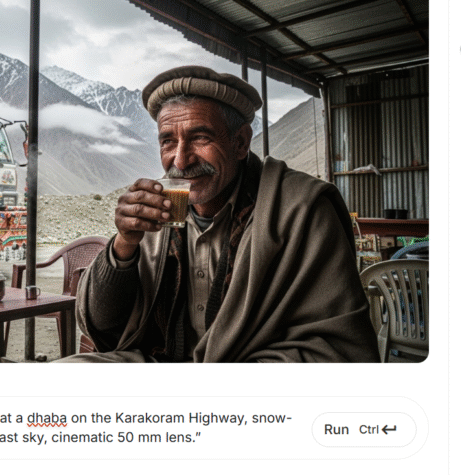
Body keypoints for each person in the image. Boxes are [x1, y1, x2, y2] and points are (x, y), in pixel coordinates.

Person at [59, 66, 379, 362]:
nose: (181, 161)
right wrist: (124, 245)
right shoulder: (156, 213)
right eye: (168, 141)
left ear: (240, 143)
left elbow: (339, 352)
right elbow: (102, 325)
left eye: (200, 137)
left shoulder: (302, 210)